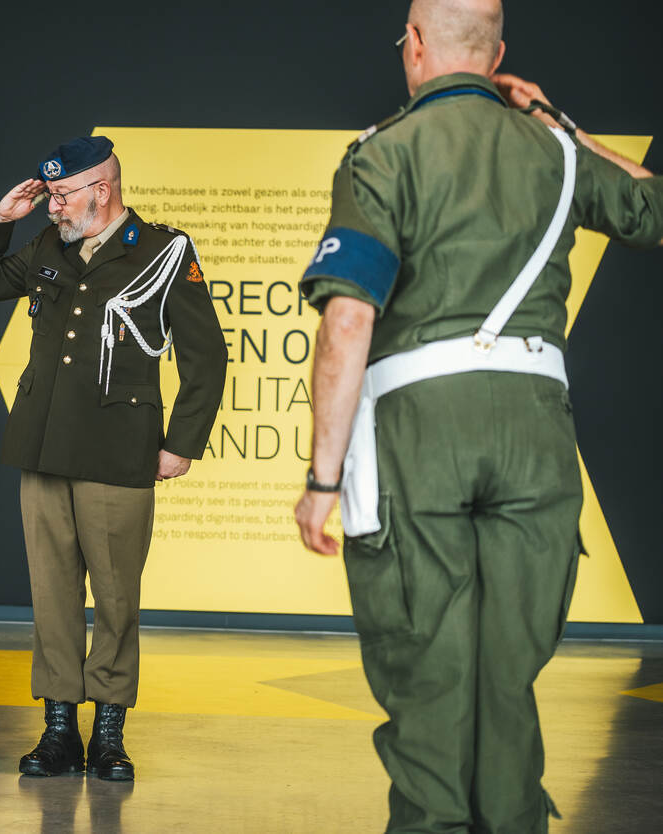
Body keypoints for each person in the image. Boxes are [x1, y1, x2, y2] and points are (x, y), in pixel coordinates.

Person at [293, 1, 663, 830]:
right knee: (505, 682)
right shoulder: (555, 152)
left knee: (431, 681)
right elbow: (654, 208)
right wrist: (559, 122)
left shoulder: (381, 156)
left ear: (415, 46)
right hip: (536, 436)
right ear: (499, 53)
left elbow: (348, 321)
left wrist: (323, 478)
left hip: (423, 437)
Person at [0, 135, 227, 780]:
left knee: (114, 597)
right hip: (44, 445)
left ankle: (108, 731)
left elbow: (205, 355)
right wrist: (0, 222)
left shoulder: (165, 251)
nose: (51, 207)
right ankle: (58, 730)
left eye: (60, 195)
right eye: (49, 196)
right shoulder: (49, 244)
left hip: (118, 450)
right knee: (51, 596)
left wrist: (180, 445)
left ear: (99, 191)